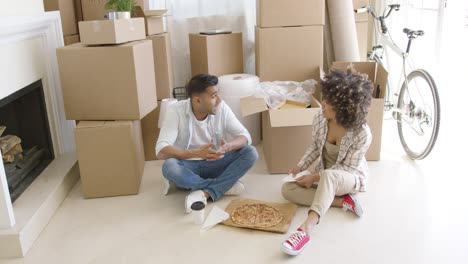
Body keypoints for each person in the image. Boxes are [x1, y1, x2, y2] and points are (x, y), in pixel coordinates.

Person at [280, 68, 373, 256]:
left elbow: (347, 168)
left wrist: (314, 178)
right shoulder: (320, 119)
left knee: (330, 176)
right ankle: (341, 202)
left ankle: (305, 230)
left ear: (344, 107)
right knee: (287, 190)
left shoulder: (362, 133)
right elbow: (315, 146)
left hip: (348, 178)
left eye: (329, 101)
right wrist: (300, 167)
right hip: (325, 176)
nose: (323, 103)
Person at [156, 73, 258, 213]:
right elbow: (161, 148)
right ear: (197, 101)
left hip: (215, 163)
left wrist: (228, 146)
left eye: (217, 94)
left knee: (250, 152)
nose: (219, 99)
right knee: (169, 166)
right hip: (188, 166)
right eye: (213, 96)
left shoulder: (221, 108)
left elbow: (245, 136)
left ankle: (204, 192)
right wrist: (193, 153)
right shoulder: (175, 111)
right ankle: (222, 186)